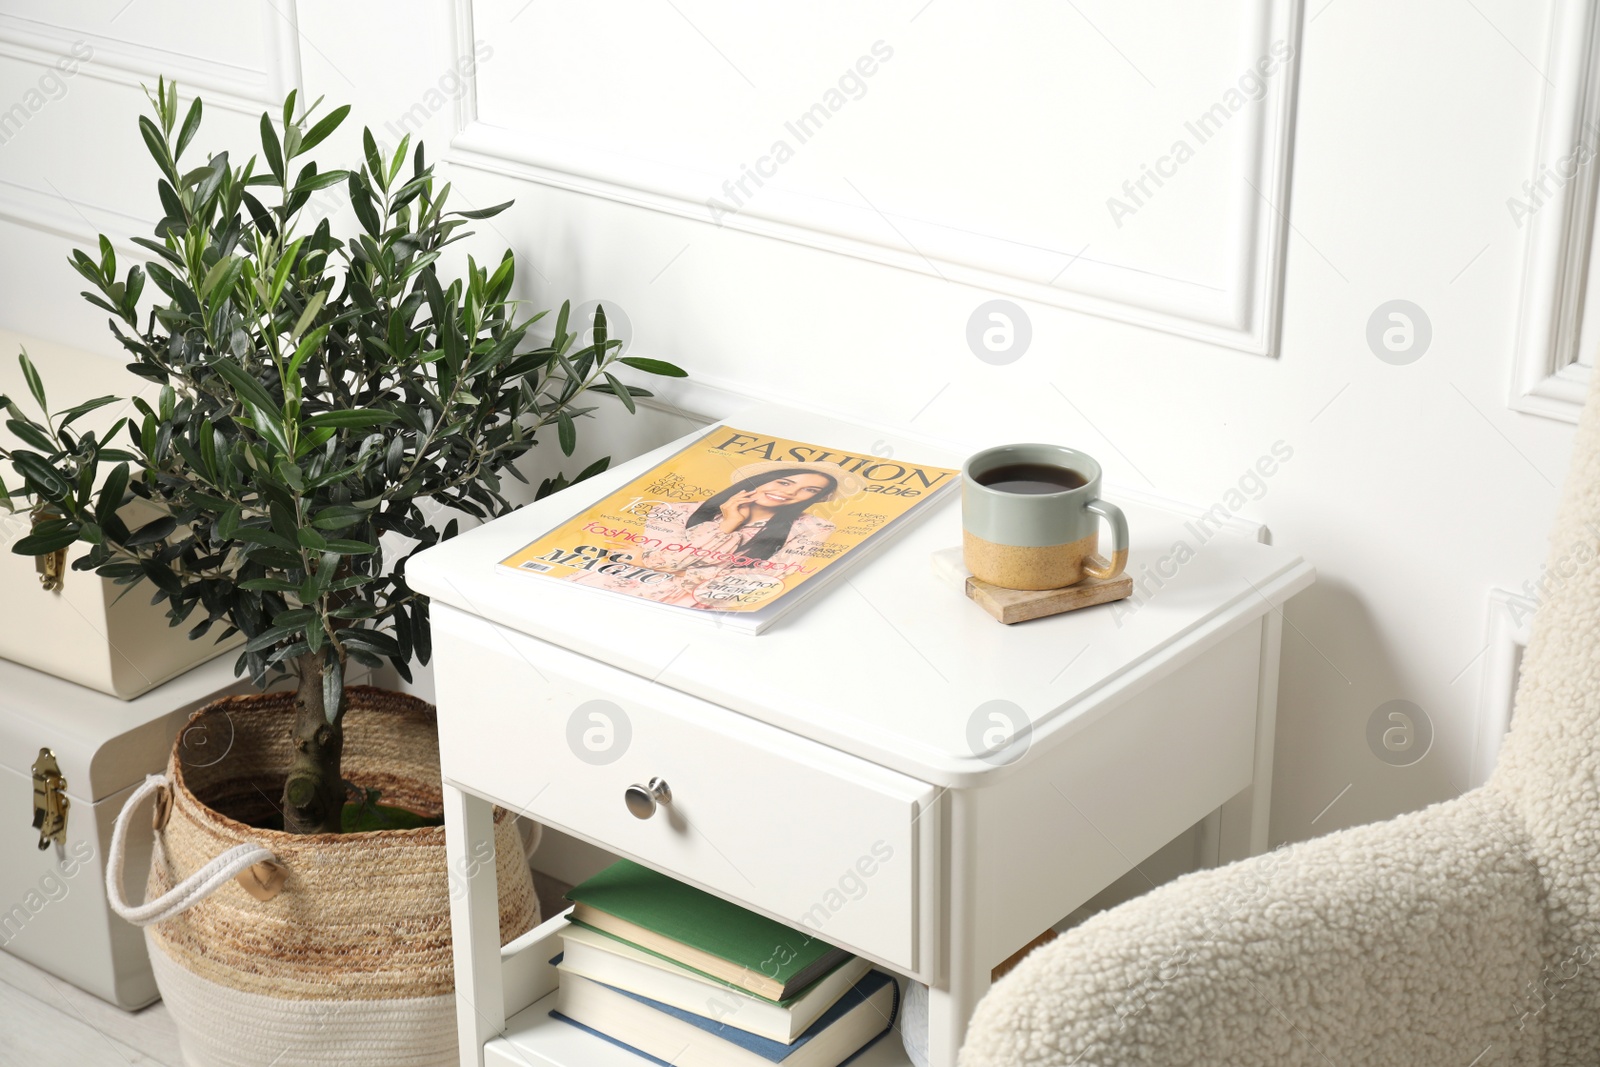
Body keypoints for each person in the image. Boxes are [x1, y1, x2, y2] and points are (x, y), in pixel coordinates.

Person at [568, 461, 856, 608]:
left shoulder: (815, 528)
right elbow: (661, 560)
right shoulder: (676, 510)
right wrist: (726, 526)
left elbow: (767, 578)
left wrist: (678, 572)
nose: (790, 492)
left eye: (809, 490)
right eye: (784, 481)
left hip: (693, 604)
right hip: (611, 588)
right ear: (760, 481)